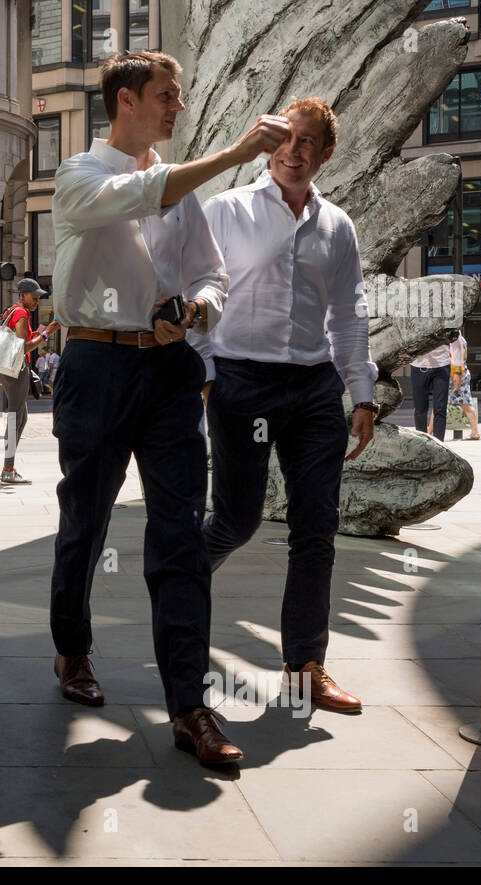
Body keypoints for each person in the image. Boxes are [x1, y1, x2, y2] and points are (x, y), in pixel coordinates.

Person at [49, 49, 285, 769]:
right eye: (166, 95)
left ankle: (188, 705)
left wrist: (199, 306)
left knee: (180, 534)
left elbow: (212, 272)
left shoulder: (179, 192)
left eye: (177, 96)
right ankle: (72, 649)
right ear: (125, 101)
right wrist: (240, 151)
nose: (177, 106)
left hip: (171, 373)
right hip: (95, 365)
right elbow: (139, 194)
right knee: (84, 522)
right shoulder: (78, 176)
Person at [193, 96, 376, 721]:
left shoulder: (337, 226)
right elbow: (197, 291)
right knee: (237, 522)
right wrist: (209, 374)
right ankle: (180, 574)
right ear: (268, 142)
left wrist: (362, 393)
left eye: (307, 144)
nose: (293, 153)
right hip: (243, 382)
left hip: (315, 388)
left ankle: (304, 667)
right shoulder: (228, 210)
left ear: (326, 154)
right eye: (285, 139)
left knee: (316, 529)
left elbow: (348, 312)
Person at [0, 277, 57, 484]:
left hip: (10, 370)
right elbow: (22, 348)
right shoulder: (21, 314)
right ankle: (8, 469)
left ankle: (9, 466)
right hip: (16, 371)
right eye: (34, 297)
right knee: (16, 418)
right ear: (22, 295)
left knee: (21, 418)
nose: (37, 301)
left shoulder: (11, 311)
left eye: (39, 298)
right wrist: (46, 335)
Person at [410, 339, 452, 441]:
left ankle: (439, 445)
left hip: (442, 363)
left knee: (440, 408)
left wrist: (459, 368)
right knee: (420, 409)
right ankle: (422, 443)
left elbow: (457, 337)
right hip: (418, 364)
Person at [447, 331, 480, 440]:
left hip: (456, 374)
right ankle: (475, 432)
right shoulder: (460, 339)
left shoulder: (456, 339)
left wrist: (457, 374)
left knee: (464, 404)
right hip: (459, 373)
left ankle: (430, 432)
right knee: (465, 403)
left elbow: (456, 359)